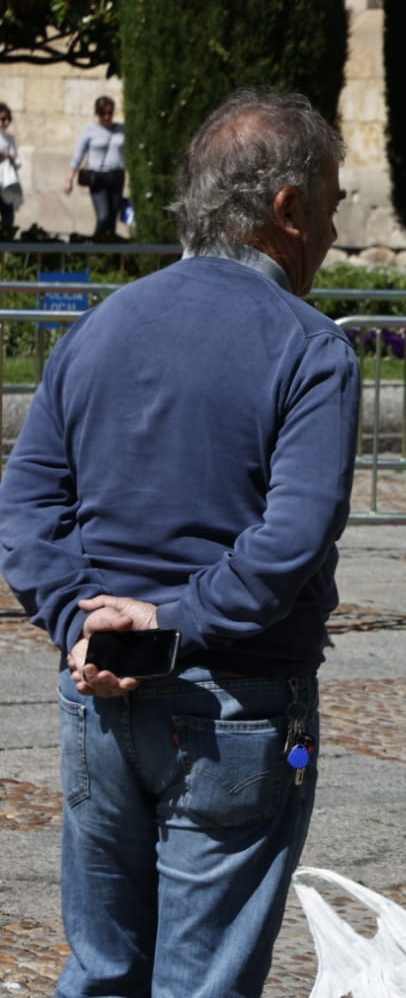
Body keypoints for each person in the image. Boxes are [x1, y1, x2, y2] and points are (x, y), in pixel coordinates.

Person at [0, 88, 359, 995]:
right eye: (332, 200)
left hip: (97, 694)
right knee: (202, 980)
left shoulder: (97, 328)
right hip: (234, 703)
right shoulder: (310, 348)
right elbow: (290, 542)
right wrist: (165, 622)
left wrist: (82, 625)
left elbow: (28, 505)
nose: (333, 228)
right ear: (287, 210)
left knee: (102, 966)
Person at [65, 95, 127, 239]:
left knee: (112, 219)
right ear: (97, 114)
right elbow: (78, 155)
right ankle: (96, 247)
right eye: (102, 113)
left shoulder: (121, 129)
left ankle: (108, 253)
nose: (106, 117)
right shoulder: (90, 130)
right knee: (103, 216)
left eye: (109, 113)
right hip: (98, 177)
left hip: (117, 175)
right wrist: (69, 179)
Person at [0, 102, 19, 229]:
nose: (6, 122)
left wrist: (10, 157)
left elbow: (18, 162)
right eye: (2, 119)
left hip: (7, 183)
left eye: (8, 119)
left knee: (8, 219)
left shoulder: (10, 138)